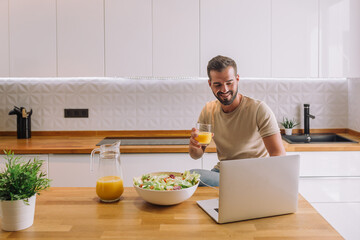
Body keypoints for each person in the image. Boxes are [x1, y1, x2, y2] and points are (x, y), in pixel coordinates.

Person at [189, 55, 286, 187]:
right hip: (222, 173)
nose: (224, 90)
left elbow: (278, 153)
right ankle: (235, 187)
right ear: (210, 84)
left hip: (253, 174)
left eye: (229, 83)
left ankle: (237, 187)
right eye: (217, 84)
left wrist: (267, 180)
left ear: (237, 79)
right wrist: (194, 147)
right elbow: (197, 155)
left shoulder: (258, 109)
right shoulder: (208, 110)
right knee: (192, 175)